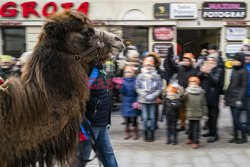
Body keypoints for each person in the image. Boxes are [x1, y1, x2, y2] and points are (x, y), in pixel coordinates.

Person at [78, 63, 118, 167]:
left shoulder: (100, 69)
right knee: (82, 159)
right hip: (91, 125)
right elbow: (79, 97)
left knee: (108, 155)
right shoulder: (88, 70)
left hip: (102, 123)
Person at [198, 54, 224, 143]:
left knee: (213, 117)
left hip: (213, 97)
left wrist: (209, 72)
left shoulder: (218, 70)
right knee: (208, 117)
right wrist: (202, 71)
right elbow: (198, 77)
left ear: (215, 62)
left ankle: (215, 135)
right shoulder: (205, 68)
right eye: (208, 60)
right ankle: (210, 132)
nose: (209, 62)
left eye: (211, 60)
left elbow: (215, 81)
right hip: (205, 96)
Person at [136, 56, 162, 142]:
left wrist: (154, 95)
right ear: (144, 65)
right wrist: (144, 95)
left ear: (153, 66)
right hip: (143, 100)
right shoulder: (140, 76)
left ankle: (152, 132)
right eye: (147, 65)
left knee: (152, 117)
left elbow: (159, 88)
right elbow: (137, 87)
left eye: (150, 65)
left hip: (153, 100)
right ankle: (146, 132)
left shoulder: (156, 76)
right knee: (145, 117)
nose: (148, 66)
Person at [225, 52, 248, 144]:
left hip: (238, 99)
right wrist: (226, 97)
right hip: (231, 97)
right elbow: (230, 85)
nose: (234, 62)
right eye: (234, 60)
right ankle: (235, 136)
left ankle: (244, 136)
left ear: (241, 61)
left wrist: (239, 99)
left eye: (237, 60)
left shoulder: (244, 71)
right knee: (233, 119)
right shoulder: (234, 69)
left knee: (237, 119)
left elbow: (243, 86)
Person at [184, 76, 208, 149]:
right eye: (191, 82)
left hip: (198, 113)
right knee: (190, 127)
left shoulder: (201, 92)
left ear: (198, 83)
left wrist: (205, 114)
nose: (193, 84)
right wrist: (180, 93)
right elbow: (182, 99)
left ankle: (196, 141)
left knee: (196, 129)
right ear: (189, 83)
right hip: (190, 112)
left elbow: (204, 104)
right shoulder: (187, 92)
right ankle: (190, 138)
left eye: (195, 82)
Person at [176, 53, 197, 131]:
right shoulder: (180, 68)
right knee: (181, 109)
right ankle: (182, 125)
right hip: (181, 91)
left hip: (190, 92)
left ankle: (191, 127)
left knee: (190, 110)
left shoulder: (194, 70)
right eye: (184, 60)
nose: (185, 62)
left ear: (190, 62)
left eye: (187, 61)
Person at [121, 66, 139, 140]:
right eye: (126, 72)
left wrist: (137, 101)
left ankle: (135, 131)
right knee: (127, 119)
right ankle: (127, 131)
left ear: (133, 73)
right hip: (126, 102)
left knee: (134, 118)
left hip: (134, 101)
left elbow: (137, 91)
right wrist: (120, 87)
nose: (128, 73)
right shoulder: (123, 81)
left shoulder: (136, 81)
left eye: (129, 72)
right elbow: (122, 92)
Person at [244, 51, 250, 134]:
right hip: (242, 93)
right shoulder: (241, 66)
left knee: (249, 112)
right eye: (246, 57)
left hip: (249, 93)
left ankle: (248, 128)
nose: (247, 58)